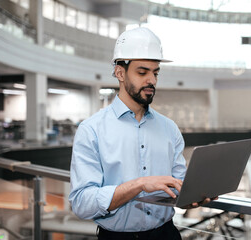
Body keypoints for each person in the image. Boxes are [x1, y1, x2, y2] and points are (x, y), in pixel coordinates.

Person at [69, 27, 213, 240]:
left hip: (167, 234)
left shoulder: (169, 128)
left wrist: (194, 195)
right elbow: (82, 203)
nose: (152, 81)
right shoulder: (91, 130)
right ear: (120, 72)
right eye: (142, 72)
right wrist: (139, 185)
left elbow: (179, 184)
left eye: (155, 73)